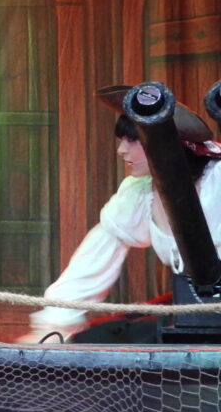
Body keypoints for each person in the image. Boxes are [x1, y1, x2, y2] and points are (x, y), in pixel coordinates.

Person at [17, 84, 221, 343]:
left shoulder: (217, 179)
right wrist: (55, 323)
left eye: (132, 140)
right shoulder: (138, 192)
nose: (121, 150)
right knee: (93, 339)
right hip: (191, 313)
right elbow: (94, 258)